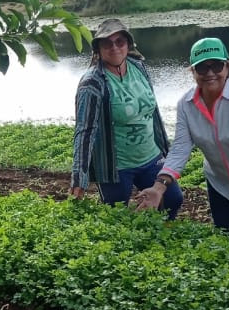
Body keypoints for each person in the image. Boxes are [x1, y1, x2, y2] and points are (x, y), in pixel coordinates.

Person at [135, 36, 229, 242]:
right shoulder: (186, 104)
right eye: (202, 68)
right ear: (193, 72)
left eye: (217, 66)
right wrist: (159, 188)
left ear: (228, 68)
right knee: (224, 234)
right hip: (219, 177)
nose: (210, 73)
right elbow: (180, 149)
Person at [70, 18, 183, 218]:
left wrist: (165, 150)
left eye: (119, 41)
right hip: (116, 166)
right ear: (98, 48)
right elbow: (84, 131)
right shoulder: (92, 83)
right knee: (116, 214)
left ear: (128, 44)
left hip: (151, 156)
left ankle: (161, 241)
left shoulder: (139, 68)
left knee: (172, 199)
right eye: (107, 43)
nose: (114, 47)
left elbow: (152, 112)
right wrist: (79, 179)